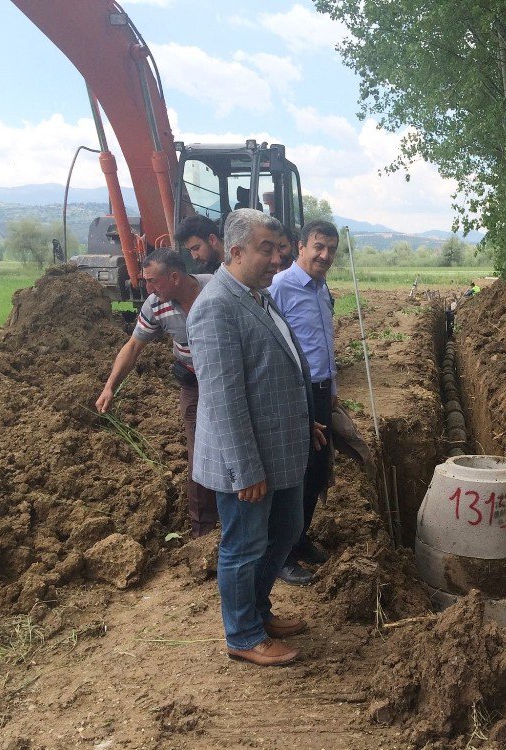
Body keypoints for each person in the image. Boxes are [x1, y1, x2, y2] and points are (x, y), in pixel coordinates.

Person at [186, 208, 325, 667]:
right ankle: (242, 634)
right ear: (235, 250)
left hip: (280, 449)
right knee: (244, 545)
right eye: (267, 249)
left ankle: (258, 610)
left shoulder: (256, 296)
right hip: (248, 460)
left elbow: (277, 369)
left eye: (279, 249)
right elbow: (224, 400)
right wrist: (244, 469)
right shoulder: (216, 307)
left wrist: (305, 421)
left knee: (285, 530)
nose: (277, 258)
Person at [95, 248, 218, 538]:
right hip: (193, 384)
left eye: (153, 281)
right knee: (198, 453)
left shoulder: (217, 288)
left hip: (232, 382)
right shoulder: (155, 305)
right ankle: (204, 532)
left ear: (174, 277)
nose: (148, 288)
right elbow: (134, 347)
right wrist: (110, 385)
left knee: (237, 445)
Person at [268, 219, 339, 585]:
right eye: (319, 246)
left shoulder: (322, 287)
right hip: (298, 393)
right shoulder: (279, 288)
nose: (325, 255)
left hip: (322, 391)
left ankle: (299, 539)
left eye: (331, 249)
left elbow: (323, 341)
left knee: (315, 471)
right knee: (293, 474)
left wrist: (333, 389)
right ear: (301, 246)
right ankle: (280, 556)